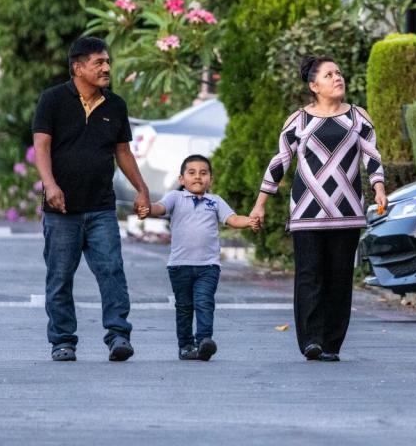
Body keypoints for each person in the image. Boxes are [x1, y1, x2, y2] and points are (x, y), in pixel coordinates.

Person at [250, 56, 386, 362]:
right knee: (309, 276)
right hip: (307, 213)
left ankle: (332, 344)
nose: (338, 78)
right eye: (329, 75)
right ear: (314, 86)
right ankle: (311, 341)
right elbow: (279, 163)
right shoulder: (298, 121)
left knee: (339, 278)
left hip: (347, 212)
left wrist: (379, 187)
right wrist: (260, 204)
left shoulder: (357, 117)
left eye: (339, 73)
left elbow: (372, 156)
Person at [32, 36, 151, 362]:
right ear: (78, 67)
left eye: (107, 62)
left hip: (100, 207)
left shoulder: (115, 105)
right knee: (59, 277)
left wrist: (141, 188)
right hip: (61, 209)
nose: (107, 68)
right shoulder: (52, 100)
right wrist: (50, 186)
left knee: (112, 271)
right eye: (99, 62)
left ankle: (118, 336)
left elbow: (123, 152)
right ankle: (62, 341)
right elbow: (41, 147)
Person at [145, 154, 259, 361]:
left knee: (205, 302)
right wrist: (147, 209)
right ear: (181, 179)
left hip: (208, 266)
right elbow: (160, 207)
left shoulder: (215, 202)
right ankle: (186, 346)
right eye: (192, 173)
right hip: (179, 266)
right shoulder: (175, 197)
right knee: (184, 307)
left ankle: (205, 340)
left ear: (211, 180)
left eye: (203, 173)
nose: (198, 177)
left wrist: (249, 221)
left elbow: (232, 219)